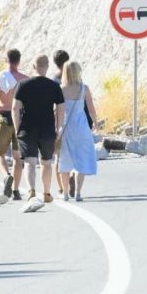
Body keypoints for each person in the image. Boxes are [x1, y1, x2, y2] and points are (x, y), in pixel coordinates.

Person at [12, 55, 65, 204]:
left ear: (33, 66)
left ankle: (31, 191)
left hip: (27, 127)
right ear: (47, 66)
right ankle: (46, 193)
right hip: (47, 128)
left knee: (29, 161)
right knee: (46, 162)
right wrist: (59, 127)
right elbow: (61, 108)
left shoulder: (23, 84)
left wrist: (17, 127)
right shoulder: (54, 86)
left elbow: (15, 107)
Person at [0, 49, 29, 200]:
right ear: (19, 61)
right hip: (21, 119)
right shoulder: (25, 79)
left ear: (6, 60)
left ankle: (6, 176)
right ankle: (16, 191)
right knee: (18, 157)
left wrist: (2, 106)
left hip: (5, 117)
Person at [57, 62, 98, 202]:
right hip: (81, 126)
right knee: (82, 158)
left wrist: (57, 127)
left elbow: (58, 111)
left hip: (66, 127)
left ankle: (65, 193)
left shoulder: (61, 89)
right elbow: (91, 109)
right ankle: (78, 193)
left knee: (65, 159)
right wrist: (96, 123)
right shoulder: (84, 89)